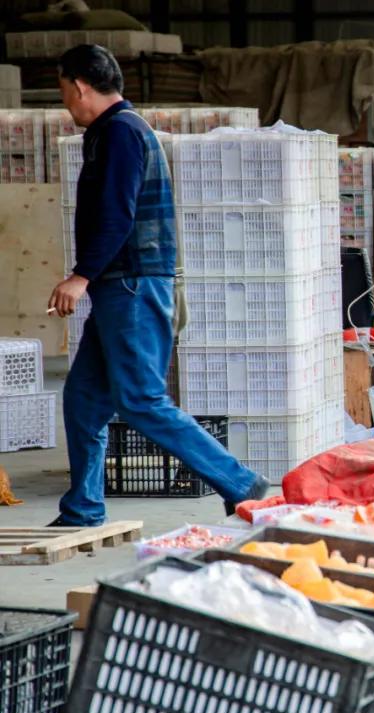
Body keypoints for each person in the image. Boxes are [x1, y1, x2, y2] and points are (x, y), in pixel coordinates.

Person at [47, 45, 268, 527]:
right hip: (121, 285)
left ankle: (242, 482)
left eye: (65, 92)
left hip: (132, 285)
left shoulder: (122, 133)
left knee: (142, 400)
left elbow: (117, 213)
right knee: (84, 399)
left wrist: (80, 276)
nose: (66, 104)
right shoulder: (112, 131)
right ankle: (83, 507)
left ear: (81, 86)